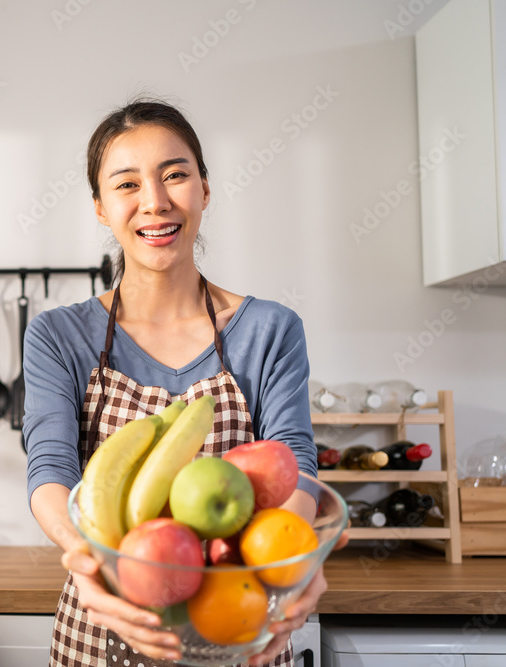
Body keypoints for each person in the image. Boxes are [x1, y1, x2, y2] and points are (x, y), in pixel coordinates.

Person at [24, 99, 341, 667]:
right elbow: (51, 470)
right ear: (100, 207)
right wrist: (87, 562)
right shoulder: (58, 335)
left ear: (205, 188)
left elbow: (294, 458)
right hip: (106, 620)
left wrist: (290, 565)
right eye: (127, 184)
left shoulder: (269, 329)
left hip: (239, 616)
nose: (155, 202)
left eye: (176, 175)